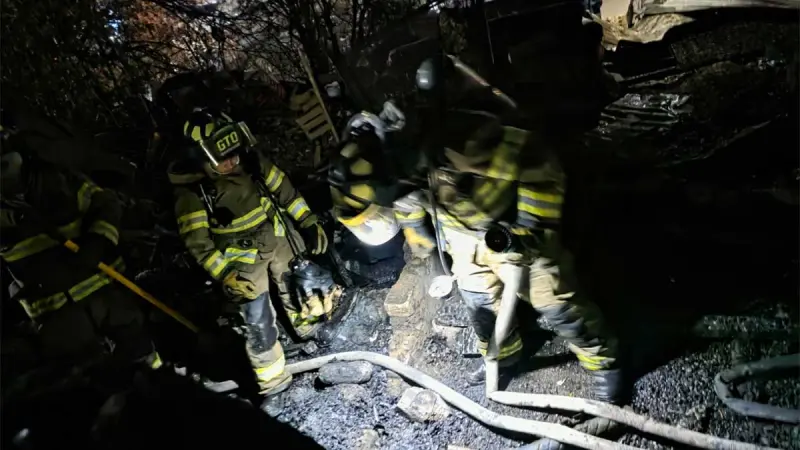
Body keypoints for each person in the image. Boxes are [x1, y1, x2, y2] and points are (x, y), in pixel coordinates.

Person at [328, 59, 626, 403]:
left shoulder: (466, 143)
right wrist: (415, 230)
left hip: (512, 228)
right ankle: (506, 355)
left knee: (556, 303)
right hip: (462, 234)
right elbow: (405, 198)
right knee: (479, 304)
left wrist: (534, 228)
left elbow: (542, 167)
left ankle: (605, 364)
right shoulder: (395, 166)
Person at [169, 109, 332, 410]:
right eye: (222, 159)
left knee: (294, 285)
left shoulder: (252, 163)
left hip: (278, 237)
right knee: (257, 318)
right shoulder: (193, 192)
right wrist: (225, 275)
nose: (232, 162)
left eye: (234, 153)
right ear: (199, 158)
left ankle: (309, 330)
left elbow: (285, 191)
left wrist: (308, 220)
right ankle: (272, 380)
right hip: (241, 262)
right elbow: (198, 243)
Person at [0, 132, 160, 370]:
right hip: (57, 311)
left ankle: (163, 392)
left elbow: (105, 202)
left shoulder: (59, 179)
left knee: (143, 357)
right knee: (89, 379)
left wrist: (99, 240)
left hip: (106, 287)